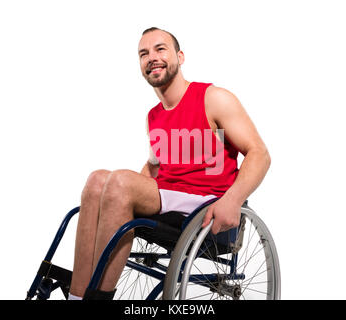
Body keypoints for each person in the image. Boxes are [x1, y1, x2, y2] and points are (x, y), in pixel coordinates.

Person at [68, 27, 271, 300]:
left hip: (204, 203)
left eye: (160, 49)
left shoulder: (212, 98)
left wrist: (233, 200)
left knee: (117, 181)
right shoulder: (154, 116)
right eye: (144, 53)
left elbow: (259, 153)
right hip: (170, 199)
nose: (152, 57)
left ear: (180, 56)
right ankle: (76, 297)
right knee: (97, 180)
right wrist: (120, 193)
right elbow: (154, 166)